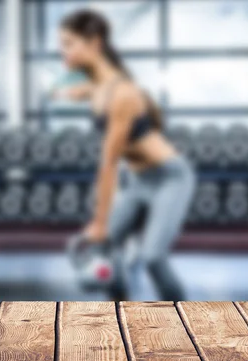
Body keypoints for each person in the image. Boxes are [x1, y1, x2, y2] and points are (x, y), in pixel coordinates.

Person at [55, 9, 196, 300]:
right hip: (139, 180)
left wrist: (100, 221)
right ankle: (120, 320)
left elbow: (108, 163)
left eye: (69, 43)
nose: (62, 51)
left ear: (94, 43)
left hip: (170, 178)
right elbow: (85, 89)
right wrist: (61, 93)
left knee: (153, 257)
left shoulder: (123, 95)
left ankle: (188, 325)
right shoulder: (98, 87)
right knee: (102, 249)